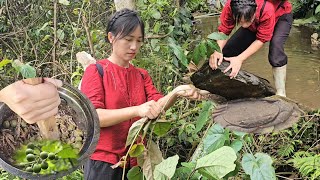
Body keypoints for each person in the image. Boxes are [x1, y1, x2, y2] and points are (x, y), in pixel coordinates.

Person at [80, 8, 205, 180]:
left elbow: (156, 105)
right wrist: (137, 110)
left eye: (139, 41)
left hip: (136, 164)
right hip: (103, 165)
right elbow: (95, 117)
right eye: (128, 39)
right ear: (111, 38)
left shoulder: (141, 74)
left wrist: (177, 92)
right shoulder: (96, 71)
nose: (134, 47)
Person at [209, 0, 293, 97]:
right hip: (255, 19)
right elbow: (224, 30)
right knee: (227, 51)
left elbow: (261, 39)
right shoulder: (231, 5)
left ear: (255, 10)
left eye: (247, 21)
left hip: (281, 15)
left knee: (276, 50)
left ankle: (281, 93)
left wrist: (240, 59)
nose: (244, 25)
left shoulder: (266, 8)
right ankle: (218, 87)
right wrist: (217, 50)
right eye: (240, 21)